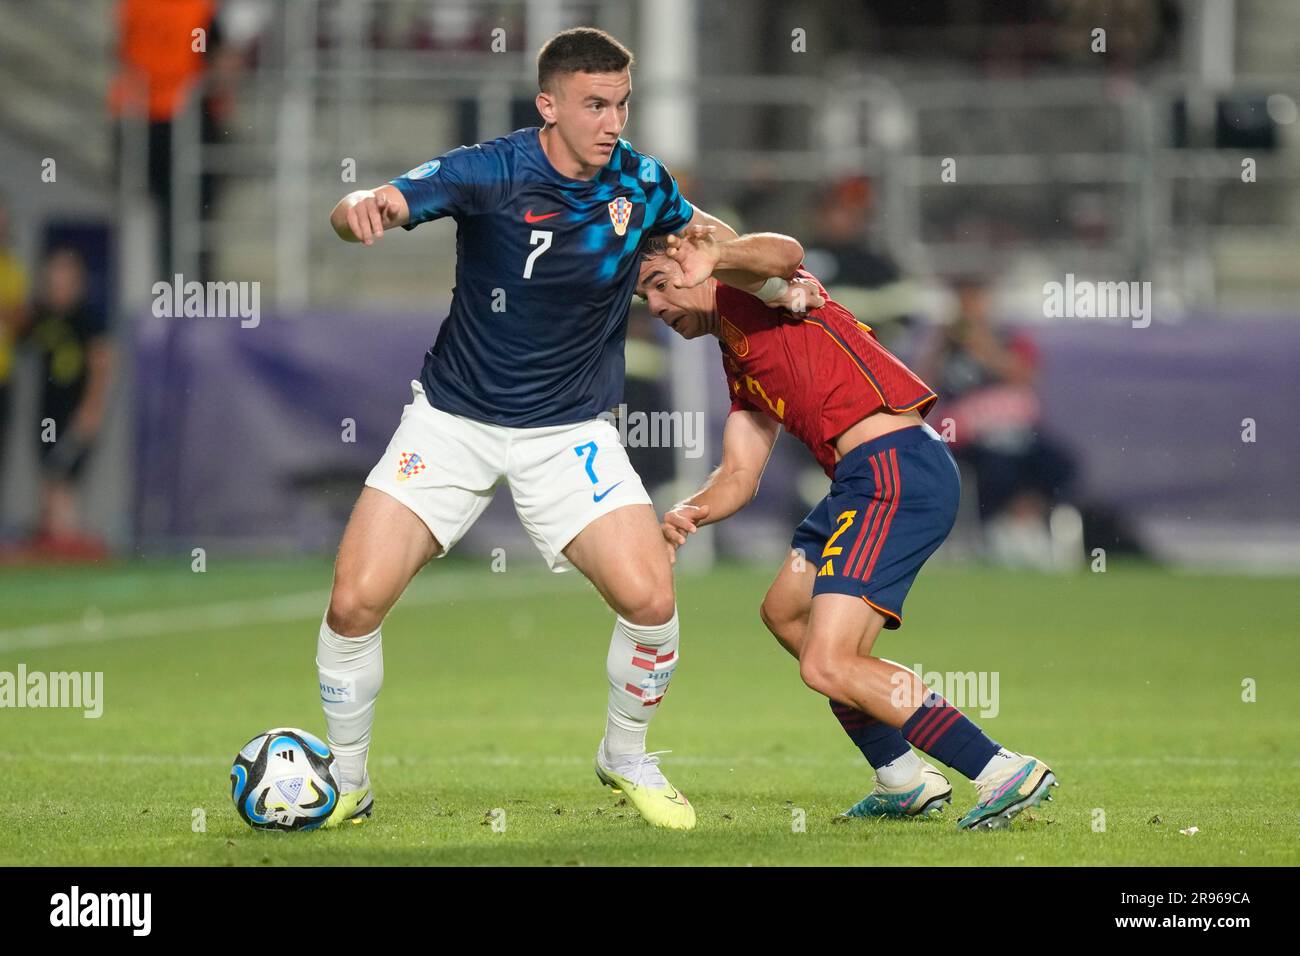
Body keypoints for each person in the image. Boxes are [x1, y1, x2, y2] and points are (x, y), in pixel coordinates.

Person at [319, 28, 776, 831]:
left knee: (651, 597)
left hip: (570, 432)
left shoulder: (642, 181)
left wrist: (750, 268)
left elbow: (705, 234)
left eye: (621, 104)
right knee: (355, 603)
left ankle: (625, 755)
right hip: (452, 421)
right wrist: (361, 210)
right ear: (549, 105)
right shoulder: (488, 170)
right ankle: (348, 782)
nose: (611, 122)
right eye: (595, 105)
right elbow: (377, 202)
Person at [636, 227, 1058, 829]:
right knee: (786, 612)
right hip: (859, 485)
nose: (653, 306)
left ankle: (999, 769)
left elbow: (784, 253)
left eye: (657, 284)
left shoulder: (752, 290)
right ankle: (902, 778)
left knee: (828, 663)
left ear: (693, 263)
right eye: (641, 298)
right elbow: (738, 473)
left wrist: (718, 254)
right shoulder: (739, 354)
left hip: (893, 471)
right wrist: (689, 510)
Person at [24, 247, 114, 557]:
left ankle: (65, 543)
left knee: (63, 477)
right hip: (48, 413)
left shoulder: (87, 318)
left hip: (75, 412)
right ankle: (56, 541)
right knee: (50, 477)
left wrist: (91, 409)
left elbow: (102, 362)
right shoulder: (43, 316)